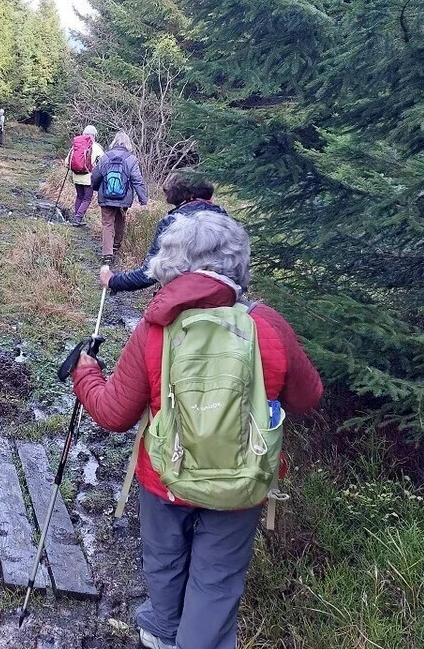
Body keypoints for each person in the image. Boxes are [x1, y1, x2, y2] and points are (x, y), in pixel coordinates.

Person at [72, 212, 323, 649]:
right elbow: (308, 397)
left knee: (165, 560)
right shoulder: (267, 326)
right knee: (217, 582)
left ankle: (161, 631)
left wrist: (85, 373)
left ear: (171, 264)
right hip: (241, 483)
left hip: (166, 477)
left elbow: (113, 415)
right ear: (238, 262)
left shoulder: (156, 329)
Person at [101, 171, 229, 291]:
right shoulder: (227, 220)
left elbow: (150, 273)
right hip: (225, 295)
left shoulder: (172, 223)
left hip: (186, 296)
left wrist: (113, 281)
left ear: (176, 194)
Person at [89, 131, 147, 264]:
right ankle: (116, 244)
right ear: (127, 144)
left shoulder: (105, 157)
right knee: (120, 220)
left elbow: (95, 176)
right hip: (124, 198)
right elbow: (137, 180)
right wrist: (143, 199)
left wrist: (96, 188)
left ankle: (107, 254)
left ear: (114, 142)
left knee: (107, 224)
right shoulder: (131, 159)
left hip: (106, 196)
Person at [65, 125, 105, 226]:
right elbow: (104, 162)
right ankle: (78, 218)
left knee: (79, 196)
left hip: (76, 176)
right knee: (87, 198)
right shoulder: (95, 147)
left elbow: (67, 162)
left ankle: (76, 218)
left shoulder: (76, 146)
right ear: (94, 135)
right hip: (89, 178)